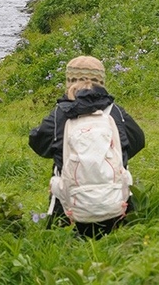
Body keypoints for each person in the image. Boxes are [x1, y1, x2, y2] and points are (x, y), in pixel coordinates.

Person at [29, 55, 145, 238]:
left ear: (69, 82)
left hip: (70, 212)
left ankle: (62, 228)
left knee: (59, 171)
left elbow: (38, 143)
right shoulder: (115, 112)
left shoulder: (60, 114)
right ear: (101, 83)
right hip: (116, 206)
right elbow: (138, 141)